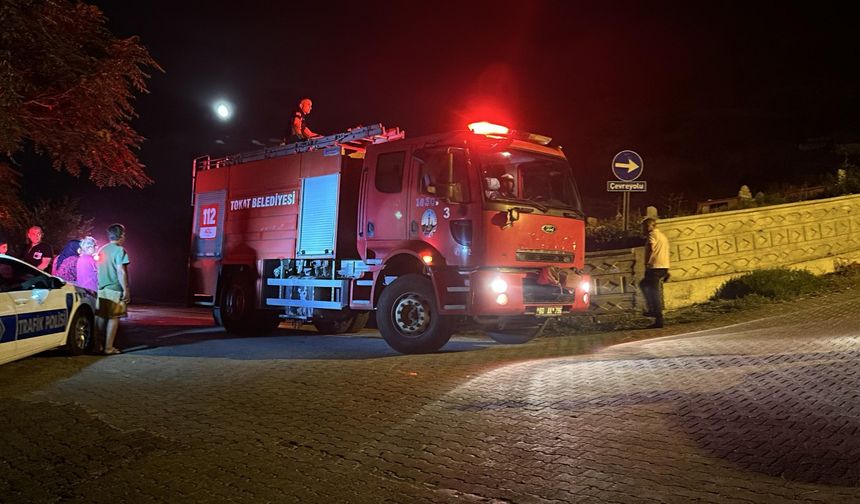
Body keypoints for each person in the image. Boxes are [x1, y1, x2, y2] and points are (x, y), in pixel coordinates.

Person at [96, 224, 130, 355]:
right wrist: (126, 289)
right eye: (124, 234)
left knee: (101, 317)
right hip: (114, 288)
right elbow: (121, 271)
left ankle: (97, 345)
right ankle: (108, 347)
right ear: (121, 235)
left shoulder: (102, 249)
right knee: (113, 318)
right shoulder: (119, 250)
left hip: (101, 288)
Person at [639, 217, 671, 328]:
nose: (644, 228)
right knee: (644, 285)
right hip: (663, 266)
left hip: (654, 267)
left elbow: (651, 248)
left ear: (651, 226)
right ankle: (653, 310)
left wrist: (647, 263)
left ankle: (657, 317)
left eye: (645, 226)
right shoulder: (663, 236)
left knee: (653, 292)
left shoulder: (651, 235)